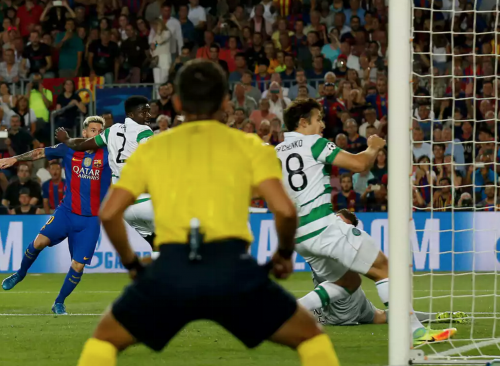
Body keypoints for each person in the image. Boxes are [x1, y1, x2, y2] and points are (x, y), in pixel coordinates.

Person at [75, 60, 340, 366]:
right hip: (232, 269)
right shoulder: (250, 146)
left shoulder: (152, 148)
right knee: (311, 338)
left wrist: (132, 264)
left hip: (171, 269)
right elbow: (284, 209)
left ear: (176, 102)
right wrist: (282, 254)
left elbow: (109, 214)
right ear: (226, 102)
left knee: (104, 341)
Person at [275, 98, 456, 345]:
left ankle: (283, 313)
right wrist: (373, 147)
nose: (322, 126)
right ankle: (416, 332)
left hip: (299, 235)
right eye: (318, 120)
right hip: (323, 227)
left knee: (348, 281)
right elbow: (360, 165)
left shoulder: (277, 152)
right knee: (384, 268)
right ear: (303, 122)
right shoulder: (314, 143)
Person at [0, 116, 112, 315]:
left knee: (78, 265)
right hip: (66, 213)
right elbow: (40, 152)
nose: (98, 134)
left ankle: (59, 302)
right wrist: (15, 159)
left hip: (91, 220)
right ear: (85, 133)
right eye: (93, 130)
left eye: (101, 131)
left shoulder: (109, 154)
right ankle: (20, 273)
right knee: (39, 242)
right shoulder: (69, 148)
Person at [312, 209, 469, 326]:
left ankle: (435, 318)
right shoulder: (330, 244)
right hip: (347, 309)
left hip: (344, 312)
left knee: (385, 315)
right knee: (383, 316)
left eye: (341, 223)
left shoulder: (331, 245)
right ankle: (437, 316)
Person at [56, 96, 156, 248]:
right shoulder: (144, 131)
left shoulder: (111, 131)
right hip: (146, 201)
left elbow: (82, 144)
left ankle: (159, 270)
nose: (149, 116)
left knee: (155, 243)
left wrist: (67, 140)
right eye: (144, 112)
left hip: (125, 208)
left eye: (148, 112)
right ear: (130, 115)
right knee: (177, 240)